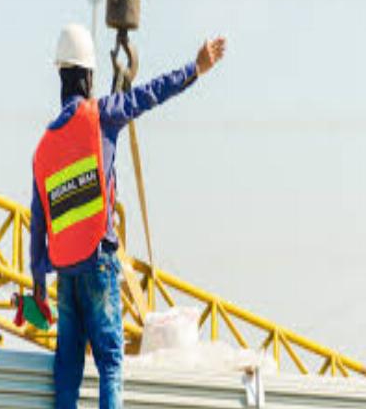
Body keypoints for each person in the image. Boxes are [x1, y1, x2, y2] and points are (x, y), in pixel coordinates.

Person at [30, 23, 226, 408]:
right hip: (99, 261)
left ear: (61, 77)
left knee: (67, 368)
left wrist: (38, 281)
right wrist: (194, 68)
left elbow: (38, 222)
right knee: (111, 361)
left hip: (65, 271)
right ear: (89, 77)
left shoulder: (44, 147)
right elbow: (148, 94)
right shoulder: (100, 114)